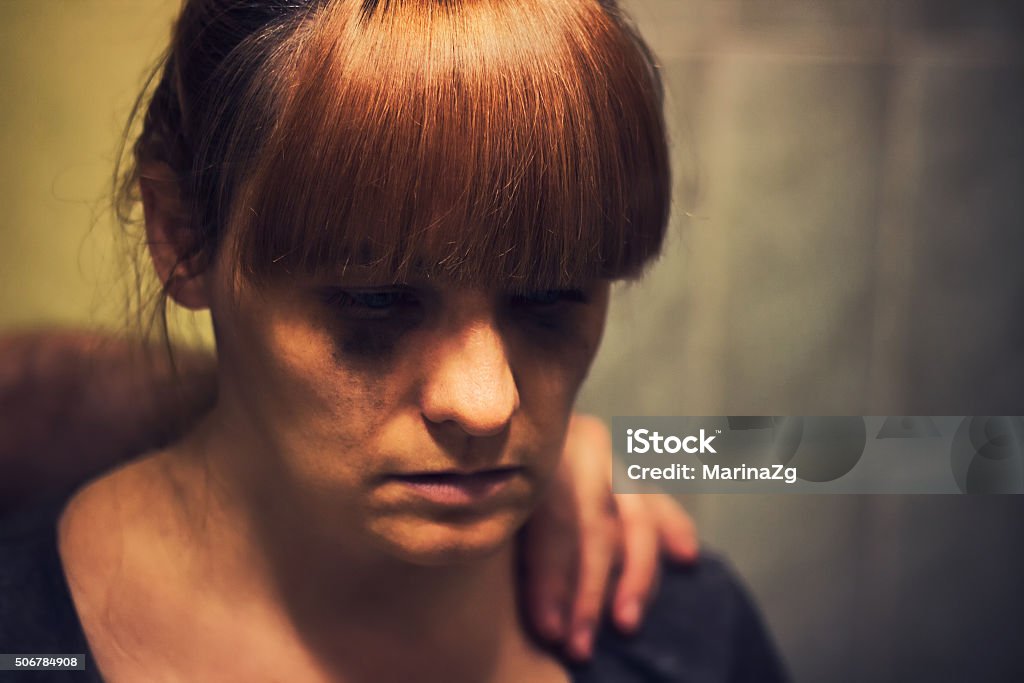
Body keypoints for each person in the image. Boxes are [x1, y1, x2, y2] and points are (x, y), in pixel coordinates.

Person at [0, 0, 786, 680]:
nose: (487, 404)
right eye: (375, 299)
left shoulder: (684, 635)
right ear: (181, 235)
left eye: (551, 296)